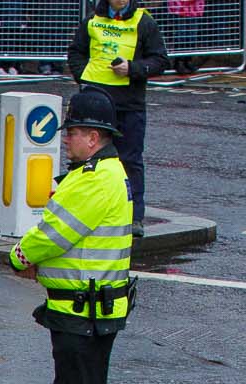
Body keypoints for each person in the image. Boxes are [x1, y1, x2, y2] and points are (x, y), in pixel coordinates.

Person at [8, 89, 134, 384]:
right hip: (99, 308)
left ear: (95, 137)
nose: (68, 140)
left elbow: (53, 235)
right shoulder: (110, 172)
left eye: (75, 132)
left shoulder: (93, 179)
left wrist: (19, 257)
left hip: (80, 310)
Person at [69, 0, 166, 236]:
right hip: (94, 102)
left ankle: (133, 219)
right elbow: (76, 53)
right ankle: (80, 211)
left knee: (130, 161)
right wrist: (84, 76)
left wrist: (132, 68)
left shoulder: (144, 22)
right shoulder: (92, 20)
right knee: (84, 158)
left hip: (129, 104)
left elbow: (160, 60)